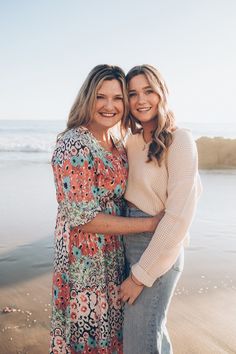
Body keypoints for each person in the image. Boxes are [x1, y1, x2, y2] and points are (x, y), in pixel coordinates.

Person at [49, 64, 162, 354]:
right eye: (101, 97)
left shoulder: (117, 142)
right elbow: (81, 217)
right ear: (88, 98)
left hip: (113, 254)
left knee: (112, 336)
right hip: (84, 260)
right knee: (87, 337)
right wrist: (150, 224)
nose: (109, 106)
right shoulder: (74, 144)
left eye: (118, 98)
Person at [120, 64, 202, 354]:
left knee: (138, 344)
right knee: (150, 333)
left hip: (158, 247)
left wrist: (139, 276)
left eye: (148, 91)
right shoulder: (130, 141)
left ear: (161, 93)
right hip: (128, 243)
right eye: (132, 93)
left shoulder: (181, 140)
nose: (141, 100)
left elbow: (179, 216)